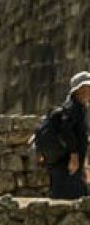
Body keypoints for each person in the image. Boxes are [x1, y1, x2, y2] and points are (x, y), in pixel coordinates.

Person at [44, 71, 90, 200]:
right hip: (68, 165)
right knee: (69, 201)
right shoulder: (73, 108)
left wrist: (84, 164)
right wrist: (74, 156)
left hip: (71, 166)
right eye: (86, 88)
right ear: (78, 90)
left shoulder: (79, 108)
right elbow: (66, 131)